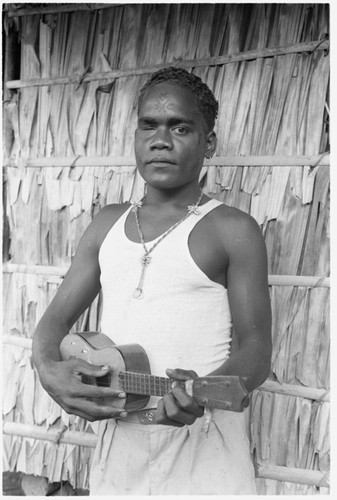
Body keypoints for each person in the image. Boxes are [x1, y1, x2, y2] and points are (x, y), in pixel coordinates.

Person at [33, 67, 272, 495]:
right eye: (149, 125)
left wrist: (199, 393)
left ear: (209, 142)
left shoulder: (232, 229)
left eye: (180, 127)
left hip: (203, 446)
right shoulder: (107, 223)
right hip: (119, 442)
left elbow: (255, 354)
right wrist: (49, 370)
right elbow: (52, 325)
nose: (161, 140)